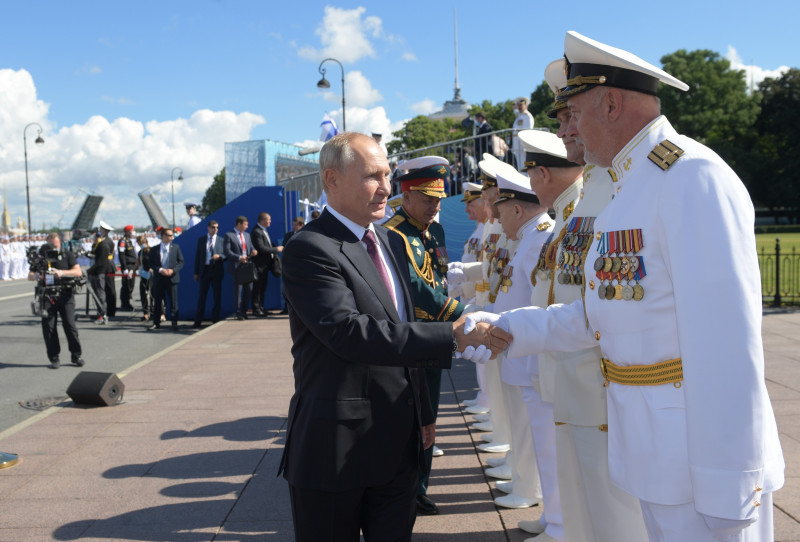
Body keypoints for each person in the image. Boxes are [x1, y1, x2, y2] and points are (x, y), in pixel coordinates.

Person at [467, 31, 785, 542]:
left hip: (705, 466)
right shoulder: (629, 185)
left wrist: (732, 479)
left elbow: (729, 345)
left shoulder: (690, 175)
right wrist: (506, 327)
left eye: (572, 113)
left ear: (611, 103)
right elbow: (600, 313)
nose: (568, 129)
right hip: (655, 452)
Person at [278, 132, 509, 542]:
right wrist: (450, 336)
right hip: (337, 449)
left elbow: (402, 321)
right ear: (331, 180)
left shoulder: (389, 241)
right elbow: (350, 333)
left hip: (398, 446)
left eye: (386, 174)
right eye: (371, 176)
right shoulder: (309, 248)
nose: (386, 188)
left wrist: (423, 416)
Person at [382, 155, 466, 516]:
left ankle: (419, 486)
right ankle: (400, 486)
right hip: (410, 336)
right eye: (429, 199)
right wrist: (460, 314)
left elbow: (439, 277)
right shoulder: (393, 234)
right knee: (406, 416)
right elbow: (415, 288)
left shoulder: (435, 230)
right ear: (407, 196)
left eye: (438, 200)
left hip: (434, 335)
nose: (435, 207)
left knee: (430, 411)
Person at [27, 232, 84, 369]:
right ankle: (54, 358)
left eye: (56, 245)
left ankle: (76, 355)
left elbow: (78, 272)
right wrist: (36, 276)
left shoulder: (67, 254)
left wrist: (62, 272)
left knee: (70, 326)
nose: (53, 249)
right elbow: (30, 275)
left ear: (60, 243)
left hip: (65, 294)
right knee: (49, 328)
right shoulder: (41, 257)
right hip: (47, 296)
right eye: (51, 246)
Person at [148, 228, 184, 331]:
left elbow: (181, 262)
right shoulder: (154, 249)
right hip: (159, 278)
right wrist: (160, 270)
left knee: (173, 302)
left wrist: (173, 270)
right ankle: (156, 322)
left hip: (171, 278)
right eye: (169, 235)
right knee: (158, 301)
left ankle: (174, 322)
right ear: (163, 236)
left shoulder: (176, 247)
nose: (171, 237)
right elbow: (150, 263)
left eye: (172, 235)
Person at [193, 220, 225, 328]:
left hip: (216, 270)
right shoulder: (202, 240)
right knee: (202, 296)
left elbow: (226, 254)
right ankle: (198, 320)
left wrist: (219, 256)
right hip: (205, 270)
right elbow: (198, 256)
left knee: (217, 296)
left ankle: (215, 319)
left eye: (217, 227)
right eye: (213, 227)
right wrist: (196, 272)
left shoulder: (221, 240)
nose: (215, 229)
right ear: (208, 228)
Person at [224, 216, 257, 320]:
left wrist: (254, 251)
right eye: (245, 224)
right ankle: (238, 312)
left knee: (249, 289)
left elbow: (251, 247)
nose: (247, 227)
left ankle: (244, 310)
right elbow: (227, 251)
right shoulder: (229, 235)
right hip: (236, 266)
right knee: (238, 289)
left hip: (247, 266)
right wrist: (238, 258)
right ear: (239, 224)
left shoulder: (247, 235)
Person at [251, 212, 283, 317]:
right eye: (269, 220)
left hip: (265, 265)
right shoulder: (257, 231)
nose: (270, 221)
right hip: (259, 265)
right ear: (263, 220)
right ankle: (256, 309)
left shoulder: (263, 231)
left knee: (263, 287)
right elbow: (261, 248)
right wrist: (276, 249)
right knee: (258, 287)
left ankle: (261, 308)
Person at [87, 221, 115, 325]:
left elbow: (101, 261)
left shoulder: (104, 244)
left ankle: (102, 315)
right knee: (98, 294)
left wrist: (90, 270)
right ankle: (101, 313)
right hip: (96, 272)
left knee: (100, 294)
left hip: (99, 272)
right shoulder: (99, 244)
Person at [511, 96, 535, 171]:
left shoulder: (527, 116)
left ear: (526, 105)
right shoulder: (518, 116)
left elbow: (528, 131)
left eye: (521, 105)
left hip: (522, 145)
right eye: (518, 105)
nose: (519, 107)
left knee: (524, 165)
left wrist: (525, 144)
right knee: (519, 166)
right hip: (517, 145)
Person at [118, 225, 137, 311]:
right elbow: (121, 255)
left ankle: (127, 301)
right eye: (132, 230)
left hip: (132, 266)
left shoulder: (129, 240)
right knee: (126, 285)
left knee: (131, 285)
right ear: (128, 231)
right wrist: (124, 268)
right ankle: (124, 303)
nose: (133, 232)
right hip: (128, 265)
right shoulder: (123, 241)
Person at [136, 234, 153, 322]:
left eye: (141, 243)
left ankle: (153, 313)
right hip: (143, 274)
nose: (140, 245)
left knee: (152, 295)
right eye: (139, 243)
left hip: (151, 275)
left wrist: (152, 268)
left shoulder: (151, 251)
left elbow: (155, 262)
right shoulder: (140, 252)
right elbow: (138, 262)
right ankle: (145, 313)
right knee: (143, 294)